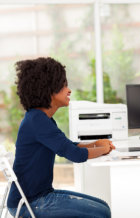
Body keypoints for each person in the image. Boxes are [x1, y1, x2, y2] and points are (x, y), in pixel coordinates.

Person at [7, 57, 114, 218]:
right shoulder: (37, 120)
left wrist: (96, 144)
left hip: (40, 195)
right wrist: (103, 149)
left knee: (104, 207)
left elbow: (68, 146)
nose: (69, 90)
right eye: (63, 85)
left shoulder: (41, 118)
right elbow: (75, 155)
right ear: (47, 88)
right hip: (30, 203)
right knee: (102, 213)